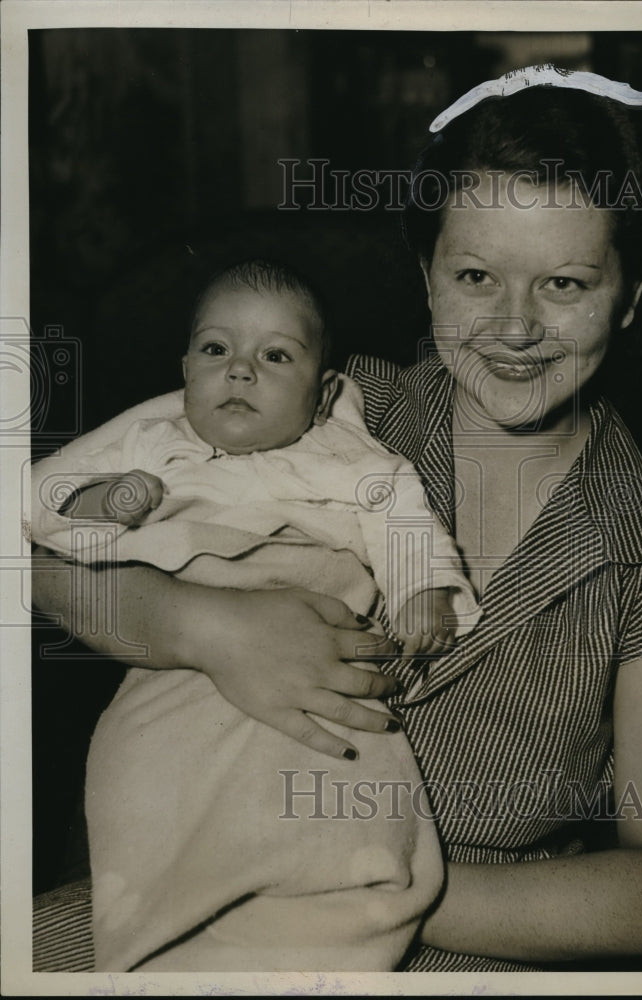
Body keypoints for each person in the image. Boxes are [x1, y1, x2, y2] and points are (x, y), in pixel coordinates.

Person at [32, 65, 642, 973]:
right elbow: (43, 557)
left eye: (565, 285)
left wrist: (365, 881)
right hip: (178, 900)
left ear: (631, 295)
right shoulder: (318, 410)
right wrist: (196, 626)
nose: (512, 328)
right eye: (476, 275)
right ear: (428, 275)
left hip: (457, 949)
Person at [31, 258, 481, 971]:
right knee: (139, 777)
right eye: (216, 350)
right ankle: (162, 928)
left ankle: (321, 913)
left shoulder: (348, 456)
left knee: (343, 780)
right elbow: (40, 513)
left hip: (315, 645)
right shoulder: (153, 442)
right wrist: (103, 505)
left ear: (323, 388)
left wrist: (420, 589)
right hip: (176, 673)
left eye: (275, 356)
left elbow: (400, 517)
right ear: (185, 368)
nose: (239, 372)